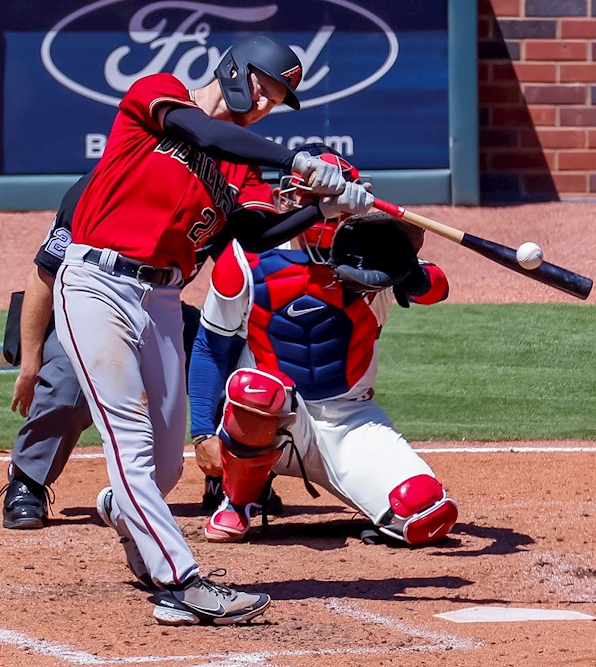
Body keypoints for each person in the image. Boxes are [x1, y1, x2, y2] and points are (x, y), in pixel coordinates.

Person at [52, 35, 373, 626]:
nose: (263, 101)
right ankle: (181, 585)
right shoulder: (162, 94)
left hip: (163, 299)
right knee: (129, 441)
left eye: (275, 97)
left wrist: (323, 211)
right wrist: (298, 162)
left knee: (168, 464)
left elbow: (250, 235)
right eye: (262, 84)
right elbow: (204, 133)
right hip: (96, 282)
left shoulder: (237, 169)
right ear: (232, 66)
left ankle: (125, 507)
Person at [187, 147, 458, 548]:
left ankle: (379, 511)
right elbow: (212, 348)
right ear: (291, 200)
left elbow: (436, 289)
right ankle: (238, 500)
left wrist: (405, 268)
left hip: (351, 420)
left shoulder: (377, 257)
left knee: (424, 512)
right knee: (256, 389)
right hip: (272, 419)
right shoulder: (248, 257)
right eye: (311, 199)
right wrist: (202, 432)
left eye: (329, 200)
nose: (321, 210)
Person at [0, 173, 275, 529]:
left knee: (231, 358)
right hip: (85, 307)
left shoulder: (213, 198)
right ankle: (28, 480)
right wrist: (31, 365)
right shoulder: (98, 189)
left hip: (159, 310)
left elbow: (249, 267)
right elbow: (44, 277)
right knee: (69, 381)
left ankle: (231, 479)